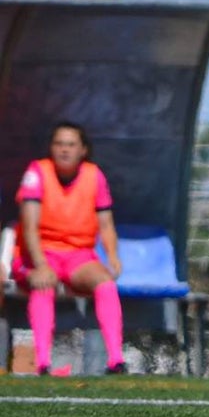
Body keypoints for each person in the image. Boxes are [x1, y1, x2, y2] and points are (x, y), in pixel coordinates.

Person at [10, 121, 127, 375]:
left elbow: (105, 224)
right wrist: (40, 265)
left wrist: (114, 257)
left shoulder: (94, 175)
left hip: (79, 255)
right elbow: (29, 226)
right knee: (44, 282)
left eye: (71, 144)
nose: (65, 150)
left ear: (83, 149)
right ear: (51, 148)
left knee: (105, 283)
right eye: (59, 144)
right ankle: (42, 362)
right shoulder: (37, 172)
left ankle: (116, 360)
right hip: (40, 253)